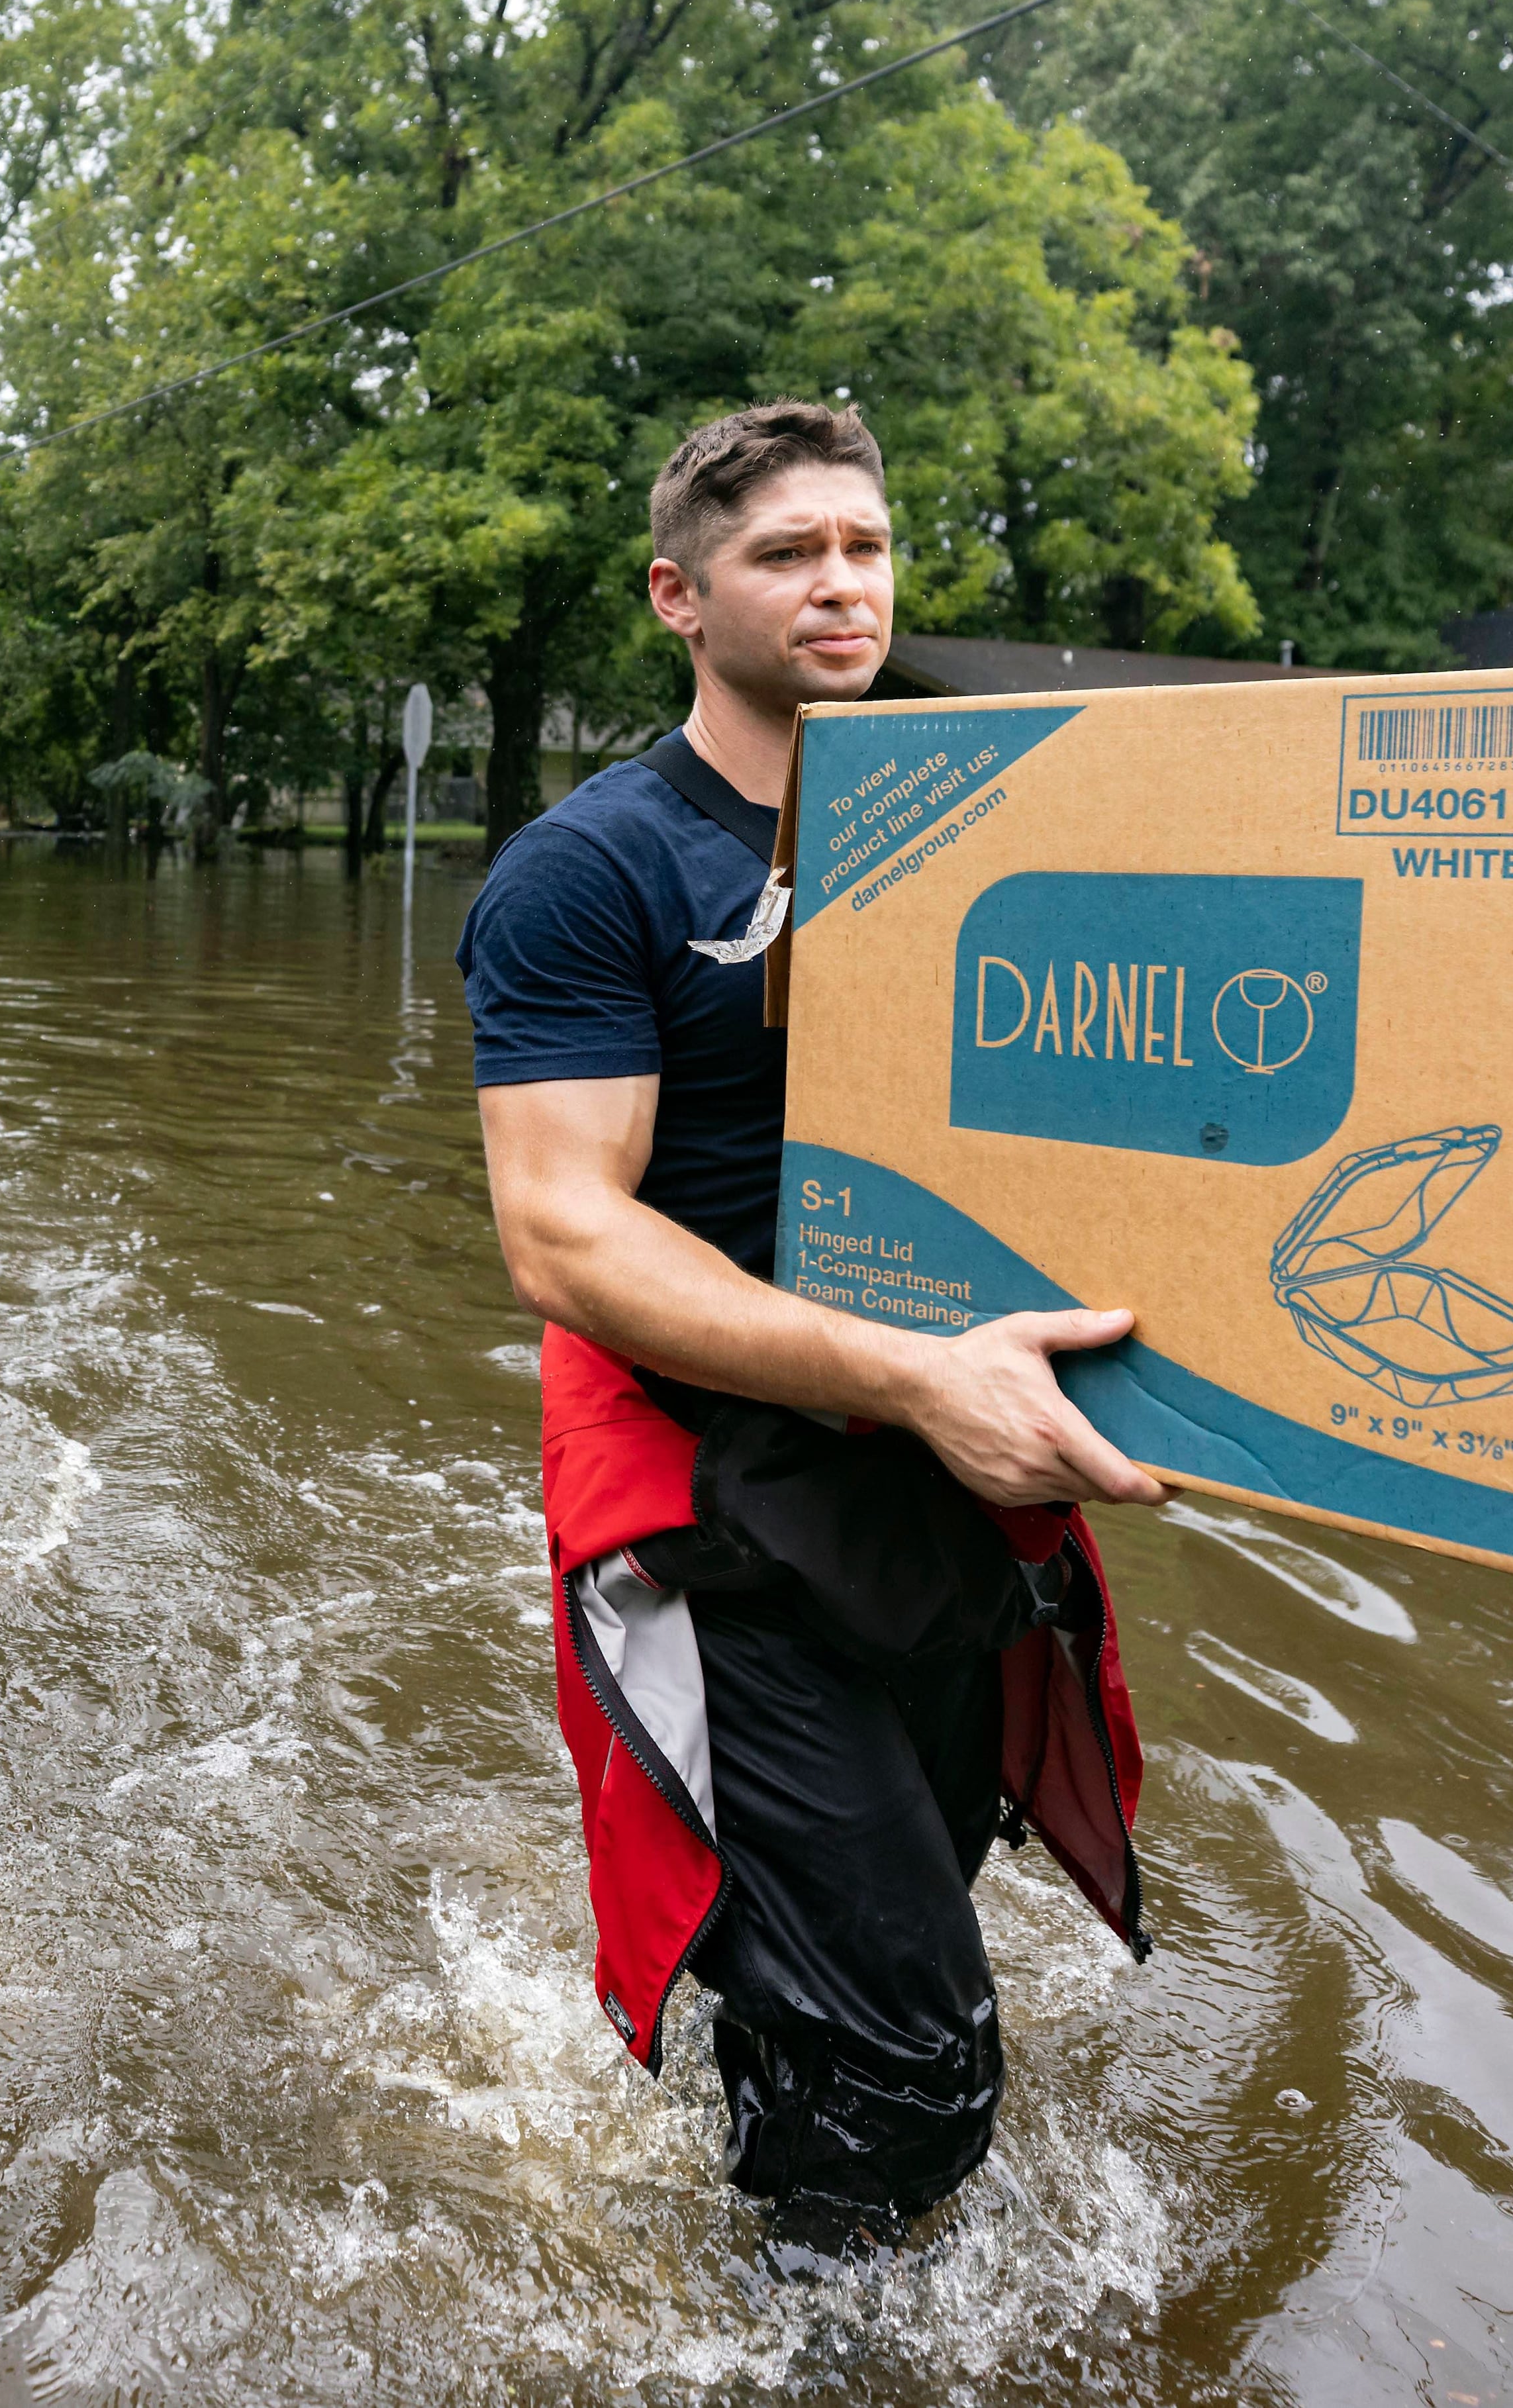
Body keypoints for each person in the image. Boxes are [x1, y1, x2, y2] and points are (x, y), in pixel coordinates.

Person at [458, 403, 1169, 2268]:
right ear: (680, 596)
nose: (841, 581)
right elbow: (560, 1227)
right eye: (788, 552)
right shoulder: (589, 870)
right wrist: (907, 1372)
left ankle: (757, 2234)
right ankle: (804, 2337)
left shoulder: (982, 835)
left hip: (938, 1474)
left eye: (864, 543)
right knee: (917, 2061)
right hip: (722, 1500)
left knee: (893, 1923)